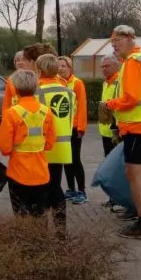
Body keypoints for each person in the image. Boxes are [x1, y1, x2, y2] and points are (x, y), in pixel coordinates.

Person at [101, 25, 141, 240]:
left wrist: (110, 104)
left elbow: (131, 98)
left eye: (117, 40)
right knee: (140, 172)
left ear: (129, 39)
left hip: (138, 124)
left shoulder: (132, 63)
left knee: (134, 173)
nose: (114, 45)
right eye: (112, 42)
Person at [0, 69, 56, 217]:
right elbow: (49, 144)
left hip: (18, 173)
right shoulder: (46, 111)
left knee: (21, 217)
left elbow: (4, 148)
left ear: (15, 88)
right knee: (39, 216)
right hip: (42, 173)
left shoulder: (11, 113)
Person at [35, 54, 73, 235]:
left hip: (44, 148)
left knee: (42, 189)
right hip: (63, 147)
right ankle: (61, 230)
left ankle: (42, 230)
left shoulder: (38, 92)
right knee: (57, 186)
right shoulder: (68, 91)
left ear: (40, 70)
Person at [58, 55, 89, 204]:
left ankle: (82, 191)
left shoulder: (77, 83)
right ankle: (70, 189)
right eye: (58, 66)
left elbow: (82, 106)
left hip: (75, 127)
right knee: (66, 160)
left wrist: (81, 127)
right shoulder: (56, 83)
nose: (60, 68)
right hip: (61, 128)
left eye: (64, 66)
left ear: (70, 68)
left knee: (75, 159)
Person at [2, 43, 54, 113]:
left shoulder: (55, 81)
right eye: (17, 60)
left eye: (25, 59)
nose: (22, 63)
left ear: (34, 62)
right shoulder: (12, 79)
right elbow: (6, 106)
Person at [98, 55, 122, 158]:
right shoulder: (106, 82)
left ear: (116, 66)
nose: (104, 69)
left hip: (117, 131)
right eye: (102, 66)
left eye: (107, 66)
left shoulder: (120, 82)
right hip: (106, 130)